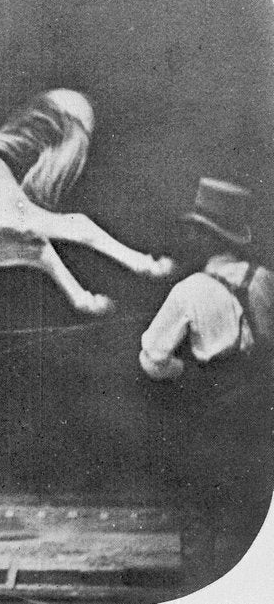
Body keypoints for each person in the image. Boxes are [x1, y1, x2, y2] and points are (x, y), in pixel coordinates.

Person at [139, 177, 274, 592]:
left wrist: (182, 374)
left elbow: (153, 357)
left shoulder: (191, 290)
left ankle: (199, 590)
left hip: (210, 415)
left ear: (205, 237)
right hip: (259, 414)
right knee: (247, 513)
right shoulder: (266, 279)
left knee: (200, 510)